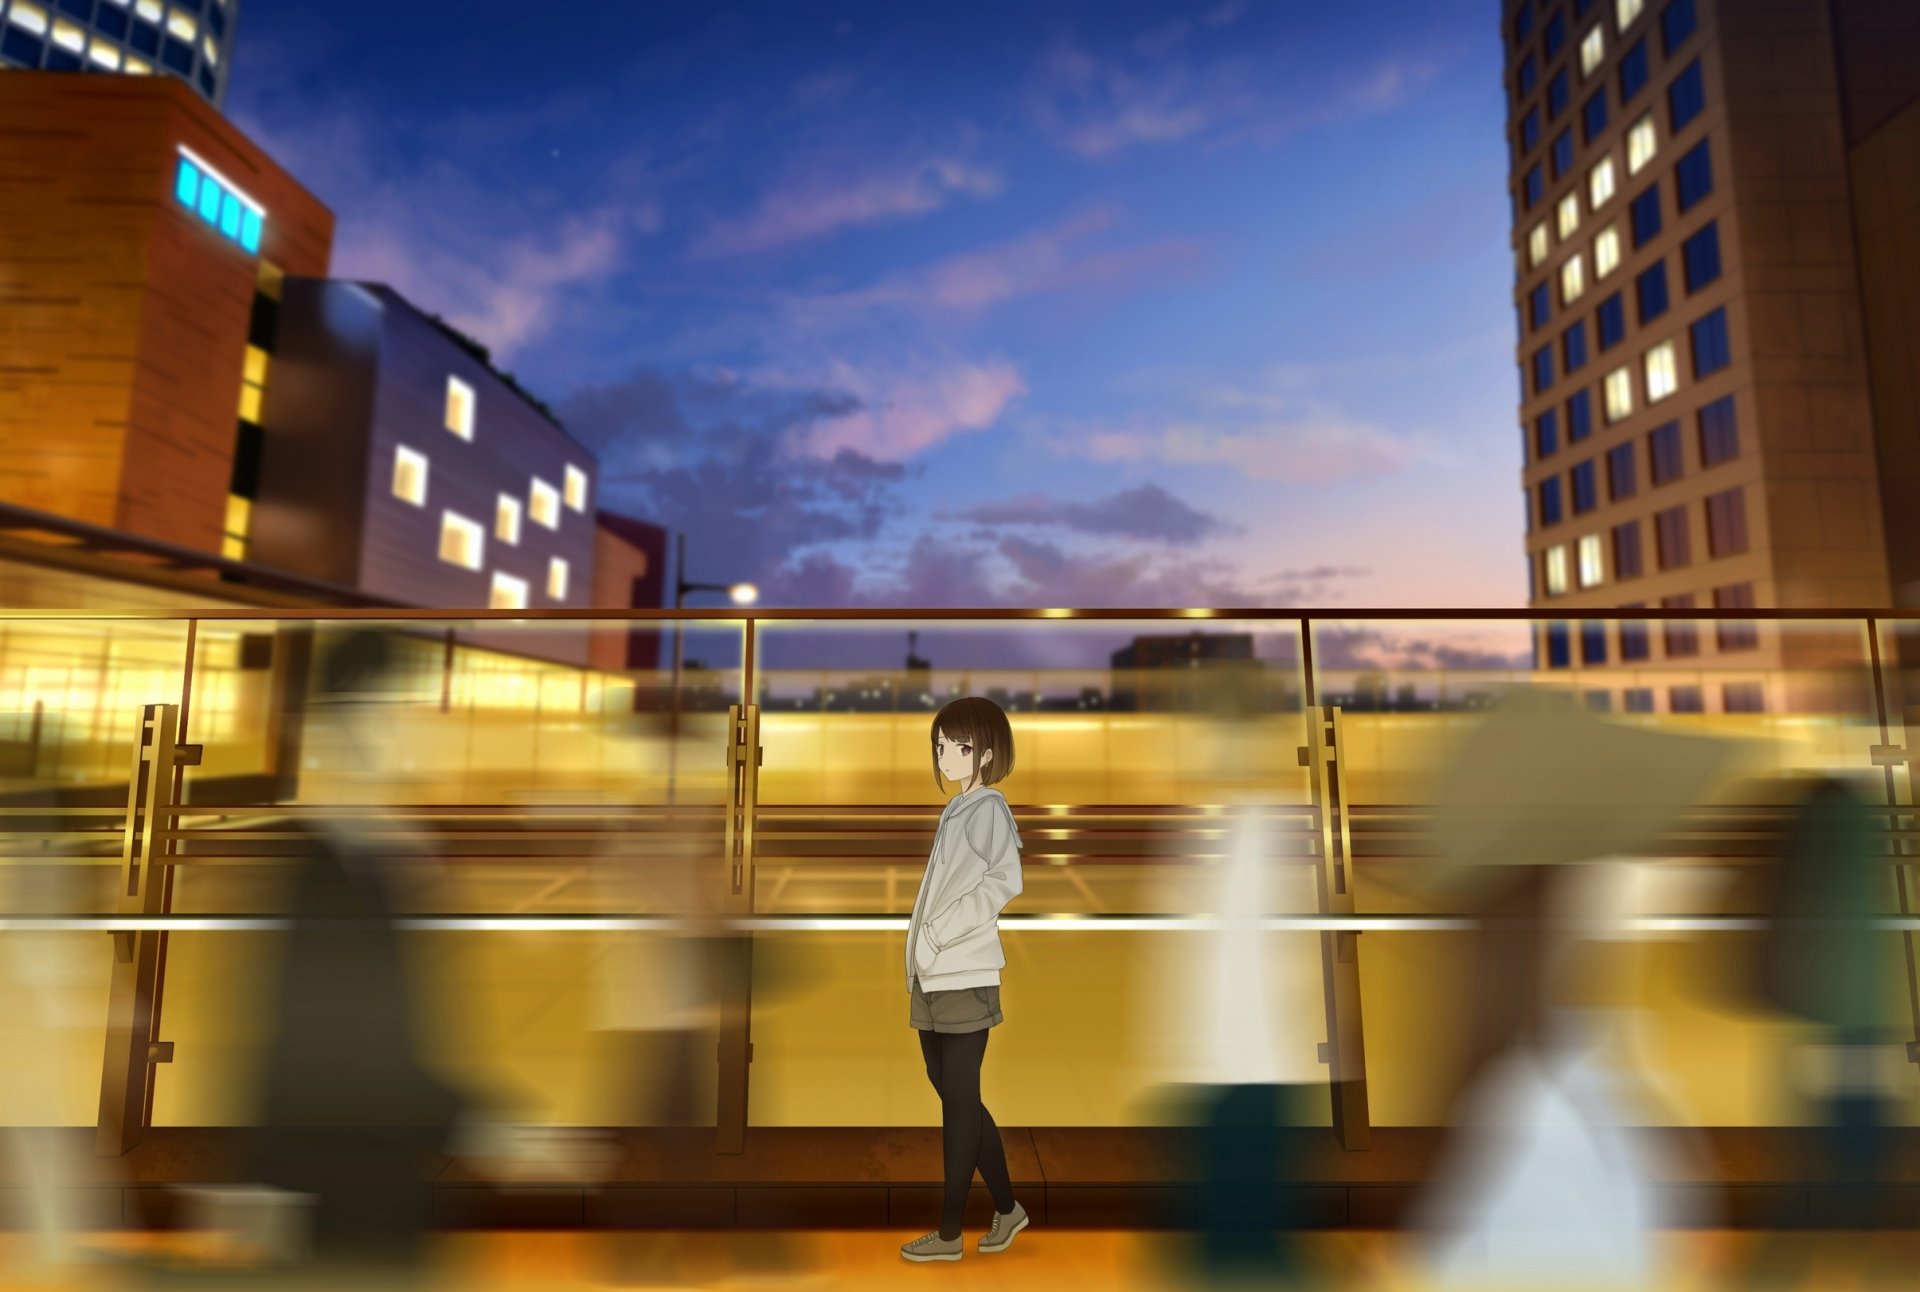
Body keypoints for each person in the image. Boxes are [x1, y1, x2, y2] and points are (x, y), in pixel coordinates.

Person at [898, 697, 1029, 1263]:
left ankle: (950, 1233)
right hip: (934, 976)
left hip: (963, 974)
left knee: (958, 1105)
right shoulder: (957, 809)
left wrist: (938, 933)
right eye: (941, 745)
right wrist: (920, 952)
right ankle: (1008, 1209)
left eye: (961, 746)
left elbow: (1005, 881)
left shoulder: (988, 809)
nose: (946, 754)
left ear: (989, 753)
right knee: (959, 1098)